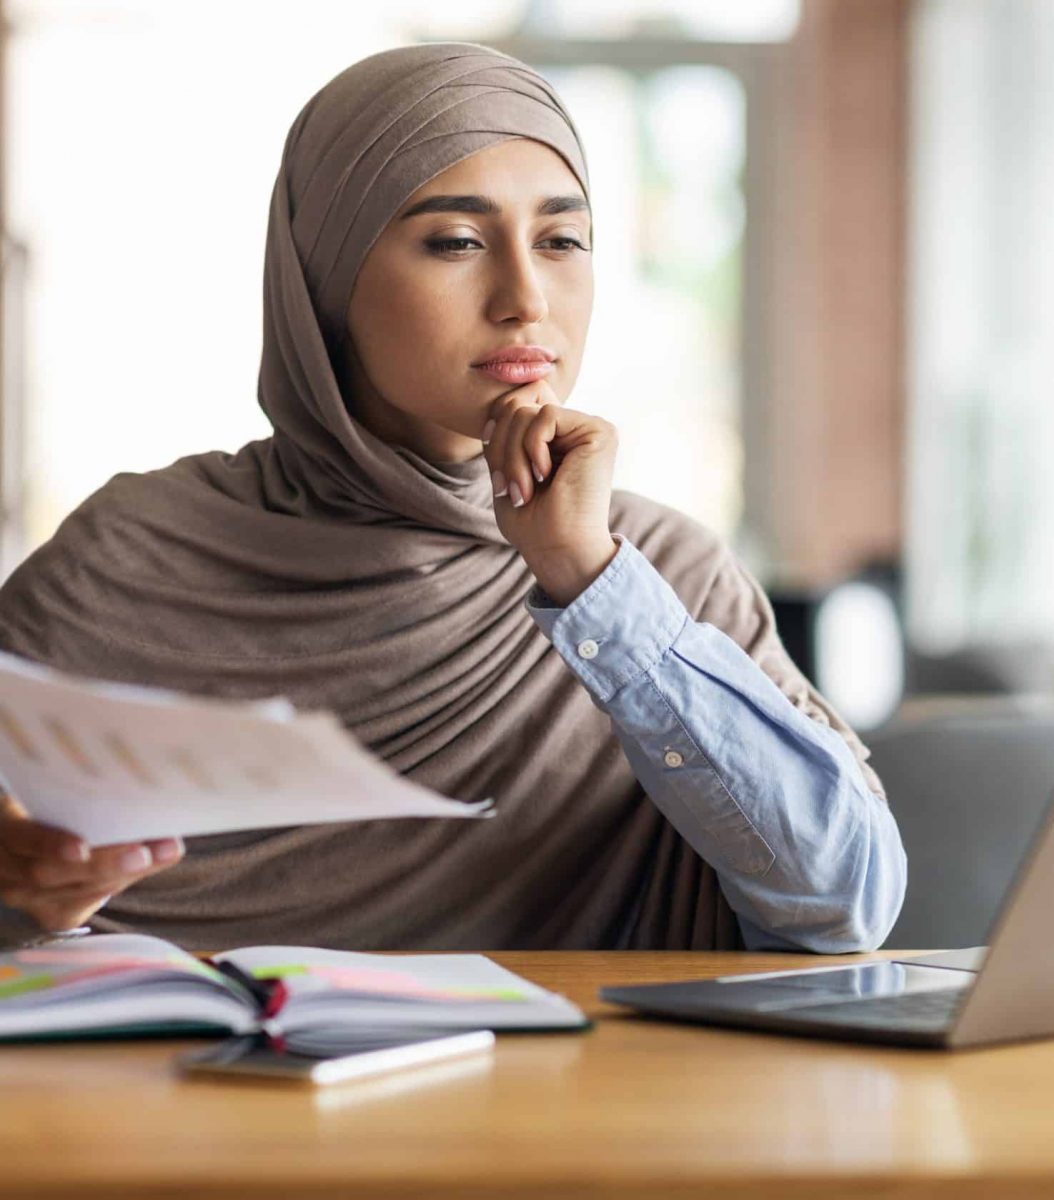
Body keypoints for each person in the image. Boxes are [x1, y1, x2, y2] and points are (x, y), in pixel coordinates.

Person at [0, 42, 905, 953]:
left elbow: (843, 905)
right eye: (457, 243)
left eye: (561, 241)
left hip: (586, 1095)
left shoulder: (658, 575)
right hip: (188, 1089)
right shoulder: (133, 555)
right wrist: (25, 887)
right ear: (326, 280)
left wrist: (588, 583)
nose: (524, 300)